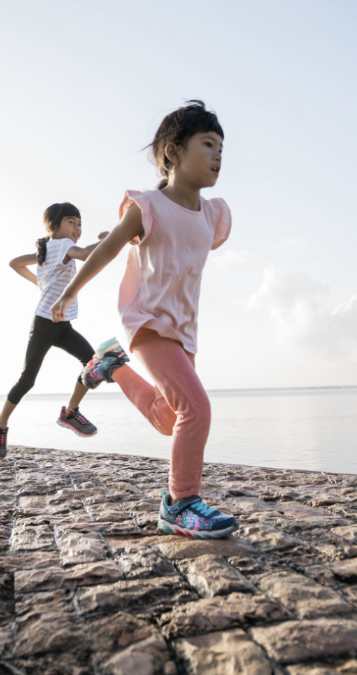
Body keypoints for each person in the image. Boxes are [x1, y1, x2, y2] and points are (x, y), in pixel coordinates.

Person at [50, 101, 238, 539]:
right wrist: (70, 290)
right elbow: (111, 247)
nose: (218, 156)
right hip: (149, 324)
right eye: (207, 144)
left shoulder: (213, 215)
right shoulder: (147, 205)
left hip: (184, 331)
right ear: (172, 153)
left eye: (222, 149)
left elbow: (181, 244)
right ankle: (181, 504)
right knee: (197, 409)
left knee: (170, 419)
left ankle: (110, 364)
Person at [0, 203, 108, 458]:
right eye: (71, 222)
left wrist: (40, 282)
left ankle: (70, 413)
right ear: (54, 226)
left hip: (61, 325)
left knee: (92, 363)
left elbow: (15, 263)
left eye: (79, 223)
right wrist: (108, 240)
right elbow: (85, 254)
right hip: (44, 323)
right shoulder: (62, 245)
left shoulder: (47, 248)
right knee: (28, 379)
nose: (77, 227)